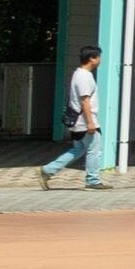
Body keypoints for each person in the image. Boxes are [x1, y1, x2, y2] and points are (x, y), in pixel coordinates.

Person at [37, 46, 106, 190]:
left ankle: (48, 170)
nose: (99, 60)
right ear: (91, 58)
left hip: (77, 122)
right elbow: (85, 100)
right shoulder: (84, 76)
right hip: (84, 122)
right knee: (95, 149)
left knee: (78, 149)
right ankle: (93, 180)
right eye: (98, 57)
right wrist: (90, 123)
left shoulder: (78, 74)